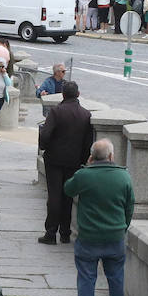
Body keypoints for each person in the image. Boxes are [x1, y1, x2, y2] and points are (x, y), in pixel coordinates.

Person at [63, 138, 135, 296]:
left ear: (91, 157)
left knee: (87, 278)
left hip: (88, 237)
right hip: (115, 237)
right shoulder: (124, 177)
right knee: (116, 279)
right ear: (111, 156)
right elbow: (130, 207)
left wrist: (87, 168)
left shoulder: (84, 175)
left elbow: (68, 189)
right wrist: (123, 228)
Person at [38, 82, 93, 245]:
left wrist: (44, 147)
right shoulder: (86, 114)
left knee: (54, 195)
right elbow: (87, 142)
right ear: (78, 94)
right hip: (74, 161)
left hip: (54, 160)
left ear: (63, 94)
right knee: (68, 195)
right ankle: (65, 233)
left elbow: (46, 135)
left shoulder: (56, 112)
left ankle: (50, 232)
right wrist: (82, 159)